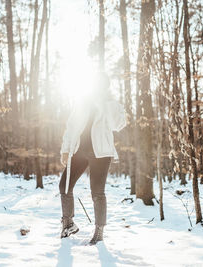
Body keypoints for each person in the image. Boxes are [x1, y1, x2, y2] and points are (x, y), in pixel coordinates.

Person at [59, 72, 126, 245]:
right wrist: (65, 150)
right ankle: (68, 224)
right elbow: (71, 126)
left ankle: (99, 231)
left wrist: (108, 105)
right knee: (64, 185)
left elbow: (117, 125)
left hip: (101, 153)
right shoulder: (82, 102)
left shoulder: (111, 104)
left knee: (97, 192)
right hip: (79, 151)